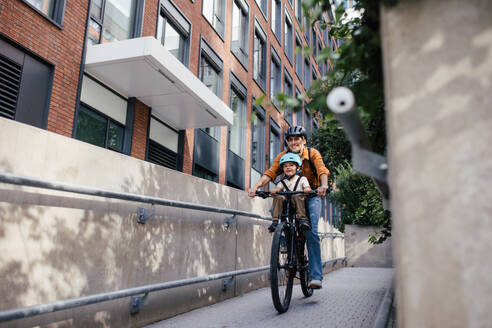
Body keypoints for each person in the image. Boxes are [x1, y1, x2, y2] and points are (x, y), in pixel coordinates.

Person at [249, 126, 330, 289]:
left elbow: (322, 170)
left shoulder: (312, 153)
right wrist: (255, 186)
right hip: (289, 195)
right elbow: (271, 173)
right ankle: (285, 239)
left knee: (311, 231)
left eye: (297, 139)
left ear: (303, 140)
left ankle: (315, 277)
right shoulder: (283, 157)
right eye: (290, 139)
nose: (293, 142)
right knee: (275, 210)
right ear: (287, 142)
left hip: (311, 195)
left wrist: (323, 186)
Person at [269, 153, 312, 233]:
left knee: (297, 196)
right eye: (285, 166)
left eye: (291, 165)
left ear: (298, 168)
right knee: (278, 197)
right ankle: (275, 221)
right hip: (286, 203)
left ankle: (303, 220)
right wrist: (275, 191)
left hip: (298, 203)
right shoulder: (282, 181)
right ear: (283, 169)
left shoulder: (302, 179)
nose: (288, 167)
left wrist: (307, 189)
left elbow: (307, 187)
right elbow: (278, 188)